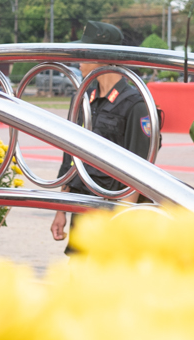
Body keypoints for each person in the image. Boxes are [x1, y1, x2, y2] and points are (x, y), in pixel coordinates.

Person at [50, 22, 154, 243]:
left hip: (114, 213)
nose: (79, 58)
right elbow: (70, 158)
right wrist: (61, 209)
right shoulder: (82, 99)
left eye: (85, 52)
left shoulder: (136, 105)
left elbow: (140, 171)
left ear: (102, 55)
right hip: (83, 207)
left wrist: (122, 220)